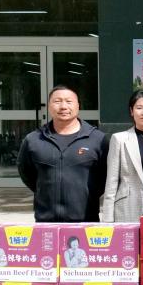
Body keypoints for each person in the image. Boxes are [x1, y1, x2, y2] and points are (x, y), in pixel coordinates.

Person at [18, 86, 106, 222]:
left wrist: (89, 193)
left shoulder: (98, 139)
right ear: (49, 106)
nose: (63, 106)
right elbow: (27, 173)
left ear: (78, 106)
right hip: (46, 220)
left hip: (85, 219)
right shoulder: (34, 139)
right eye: (57, 101)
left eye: (69, 101)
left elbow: (105, 176)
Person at [101, 90, 143, 222]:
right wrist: (107, 219)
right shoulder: (119, 139)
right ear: (131, 111)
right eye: (139, 108)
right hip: (127, 207)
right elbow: (111, 182)